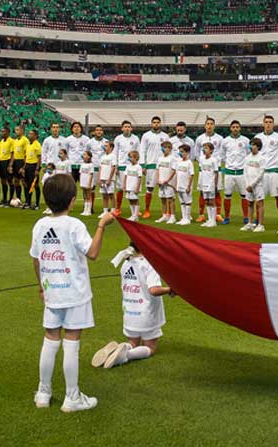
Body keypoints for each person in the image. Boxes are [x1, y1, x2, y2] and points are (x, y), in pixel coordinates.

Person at [30, 176, 114, 413]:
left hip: (52, 292)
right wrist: (101, 225)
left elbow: (36, 259)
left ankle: (43, 393)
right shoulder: (74, 225)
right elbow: (93, 252)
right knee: (72, 340)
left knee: (50, 338)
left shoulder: (40, 225)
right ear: (72, 200)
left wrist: (41, 286)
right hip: (74, 292)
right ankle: (72, 397)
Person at [92, 242, 173, 370]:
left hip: (129, 312)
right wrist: (170, 290)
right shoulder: (149, 265)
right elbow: (154, 290)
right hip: (146, 313)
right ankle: (126, 355)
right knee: (150, 348)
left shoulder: (126, 262)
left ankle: (119, 349)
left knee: (132, 343)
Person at [255, 115, 278, 230]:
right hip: (261, 173)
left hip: (274, 171)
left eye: (270, 122)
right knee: (259, 198)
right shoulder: (258, 137)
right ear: (263, 124)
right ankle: (258, 221)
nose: (268, 124)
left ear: (273, 124)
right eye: (266, 122)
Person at [220, 120, 249, 227]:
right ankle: (227, 217)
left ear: (240, 128)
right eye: (233, 127)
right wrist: (229, 165)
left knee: (244, 196)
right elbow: (222, 156)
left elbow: (248, 154)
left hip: (242, 173)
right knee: (227, 196)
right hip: (229, 173)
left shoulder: (245, 140)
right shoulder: (225, 141)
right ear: (230, 128)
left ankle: (246, 217)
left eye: (237, 127)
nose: (235, 129)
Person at [194, 117, 224, 223]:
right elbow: (196, 152)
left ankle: (218, 214)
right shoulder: (199, 138)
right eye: (208, 124)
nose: (209, 126)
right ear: (205, 125)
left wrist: (216, 161)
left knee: (217, 191)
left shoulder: (220, 138)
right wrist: (202, 161)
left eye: (211, 124)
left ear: (214, 126)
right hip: (204, 170)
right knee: (202, 191)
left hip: (215, 169)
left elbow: (222, 152)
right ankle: (201, 214)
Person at [138, 116, 168, 220]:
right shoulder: (146, 135)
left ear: (160, 124)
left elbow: (169, 150)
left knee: (164, 188)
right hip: (150, 165)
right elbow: (142, 150)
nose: (156, 124)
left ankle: (165, 212)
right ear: (151, 123)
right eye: (154, 122)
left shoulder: (165, 136)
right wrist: (142, 164)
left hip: (163, 166)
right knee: (149, 188)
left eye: (158, 122)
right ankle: (147, 210)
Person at [113, 121, 140, 216]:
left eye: (129, 126)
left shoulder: (136, 138)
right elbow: (115, 152)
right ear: (122, 128)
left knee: (132, 187)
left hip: (132, 166)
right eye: (125, 127)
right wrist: (115, 165)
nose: (127, 128)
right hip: (122, 165)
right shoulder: (118, 138)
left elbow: (138, 152)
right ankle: (118, 208)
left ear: (131, 128)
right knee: (120, 188)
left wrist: (138, 164)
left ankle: (135, 209)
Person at [242, 138, 266, 233]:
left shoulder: (262, 158)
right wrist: (247, 184)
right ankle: (250, 223)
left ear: (258, 147)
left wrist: (252, 184)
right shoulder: (247, 158)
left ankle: (260, 224)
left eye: (253, 145)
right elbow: (245, 171)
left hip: (258, 185)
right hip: (248, 185)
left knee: (260, 203)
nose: (251, 147)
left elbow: (261, 173)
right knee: (249, 203)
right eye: (250, 144)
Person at [197, 142, 220, 228]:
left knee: (212, 201)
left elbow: (216, 173)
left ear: (211, 150)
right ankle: (209, 219)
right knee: (206, 201)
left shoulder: (213, 160)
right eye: (203, 148)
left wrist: (215, 185)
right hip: (204, 182)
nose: (204, 150)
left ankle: (213, 220)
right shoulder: (202, 160)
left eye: (206, 148)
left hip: (211, 184)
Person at [155, 140, 177, 224]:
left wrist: (168, 180)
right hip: (161, 182)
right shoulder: (160, 158)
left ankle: (172, 216)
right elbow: (157, 169)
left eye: (165, 148)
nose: (163, 149)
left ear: (170, 149)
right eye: (162, 147)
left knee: (170, 199)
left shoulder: (172, 159)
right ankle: (164, 215)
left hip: (169, 183)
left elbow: (174, 170)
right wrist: (157, 179)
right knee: (163, 199)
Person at [98, 140, 117, 216]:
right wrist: (99, 178)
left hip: (109, 179)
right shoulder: (102, 157)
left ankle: (113, 211)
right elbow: (100, 168)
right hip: (102, 178)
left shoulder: (113, 156)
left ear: (111, 147)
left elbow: (113, 167)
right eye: (104, 146)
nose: (104, 147)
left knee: (111, 195)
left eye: (106, 146)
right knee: (104, 195)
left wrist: (109, 179)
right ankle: (105, 211)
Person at [123, 150, 144, 222]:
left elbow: (140, 177)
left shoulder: (138, 167)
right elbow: (125, 176)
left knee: (135, 200)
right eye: (129, 157)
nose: (130, 159)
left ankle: (135, 215)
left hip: (134, 186)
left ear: (136, 158)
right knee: (130, 200)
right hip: (128, 186)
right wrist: (124, 186)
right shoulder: (128, 166)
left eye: (131, 157)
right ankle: (132, 214)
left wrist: (137, 187)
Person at [79, 150, 97, 216]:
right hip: (83, 182)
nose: (83, 156)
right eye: (83, 155)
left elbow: (91, 174)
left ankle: (89, 210)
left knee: (89, 196)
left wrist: (89, 184)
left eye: (85, 155)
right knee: (85, 196)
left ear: (89, 157)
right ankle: (85, 210)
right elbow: (80, 173)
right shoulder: (82, 164)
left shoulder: (91, 165)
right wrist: (81, 182)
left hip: (88, 182)